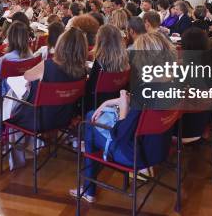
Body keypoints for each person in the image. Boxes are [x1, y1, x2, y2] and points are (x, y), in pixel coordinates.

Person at [70, 32, 175, 203]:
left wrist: (124, 106)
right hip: (160, 149)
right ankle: (89, 187)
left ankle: (89, 189)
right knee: (93, 116)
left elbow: (119, 134)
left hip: (136, 155)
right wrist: (113, 102)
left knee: (89, 121)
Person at [87, 24, 130, 110]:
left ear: (99, 41)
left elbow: (90, 88)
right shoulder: (126, 61)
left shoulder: (100, 62)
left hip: (98, 106)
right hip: (119, 104)